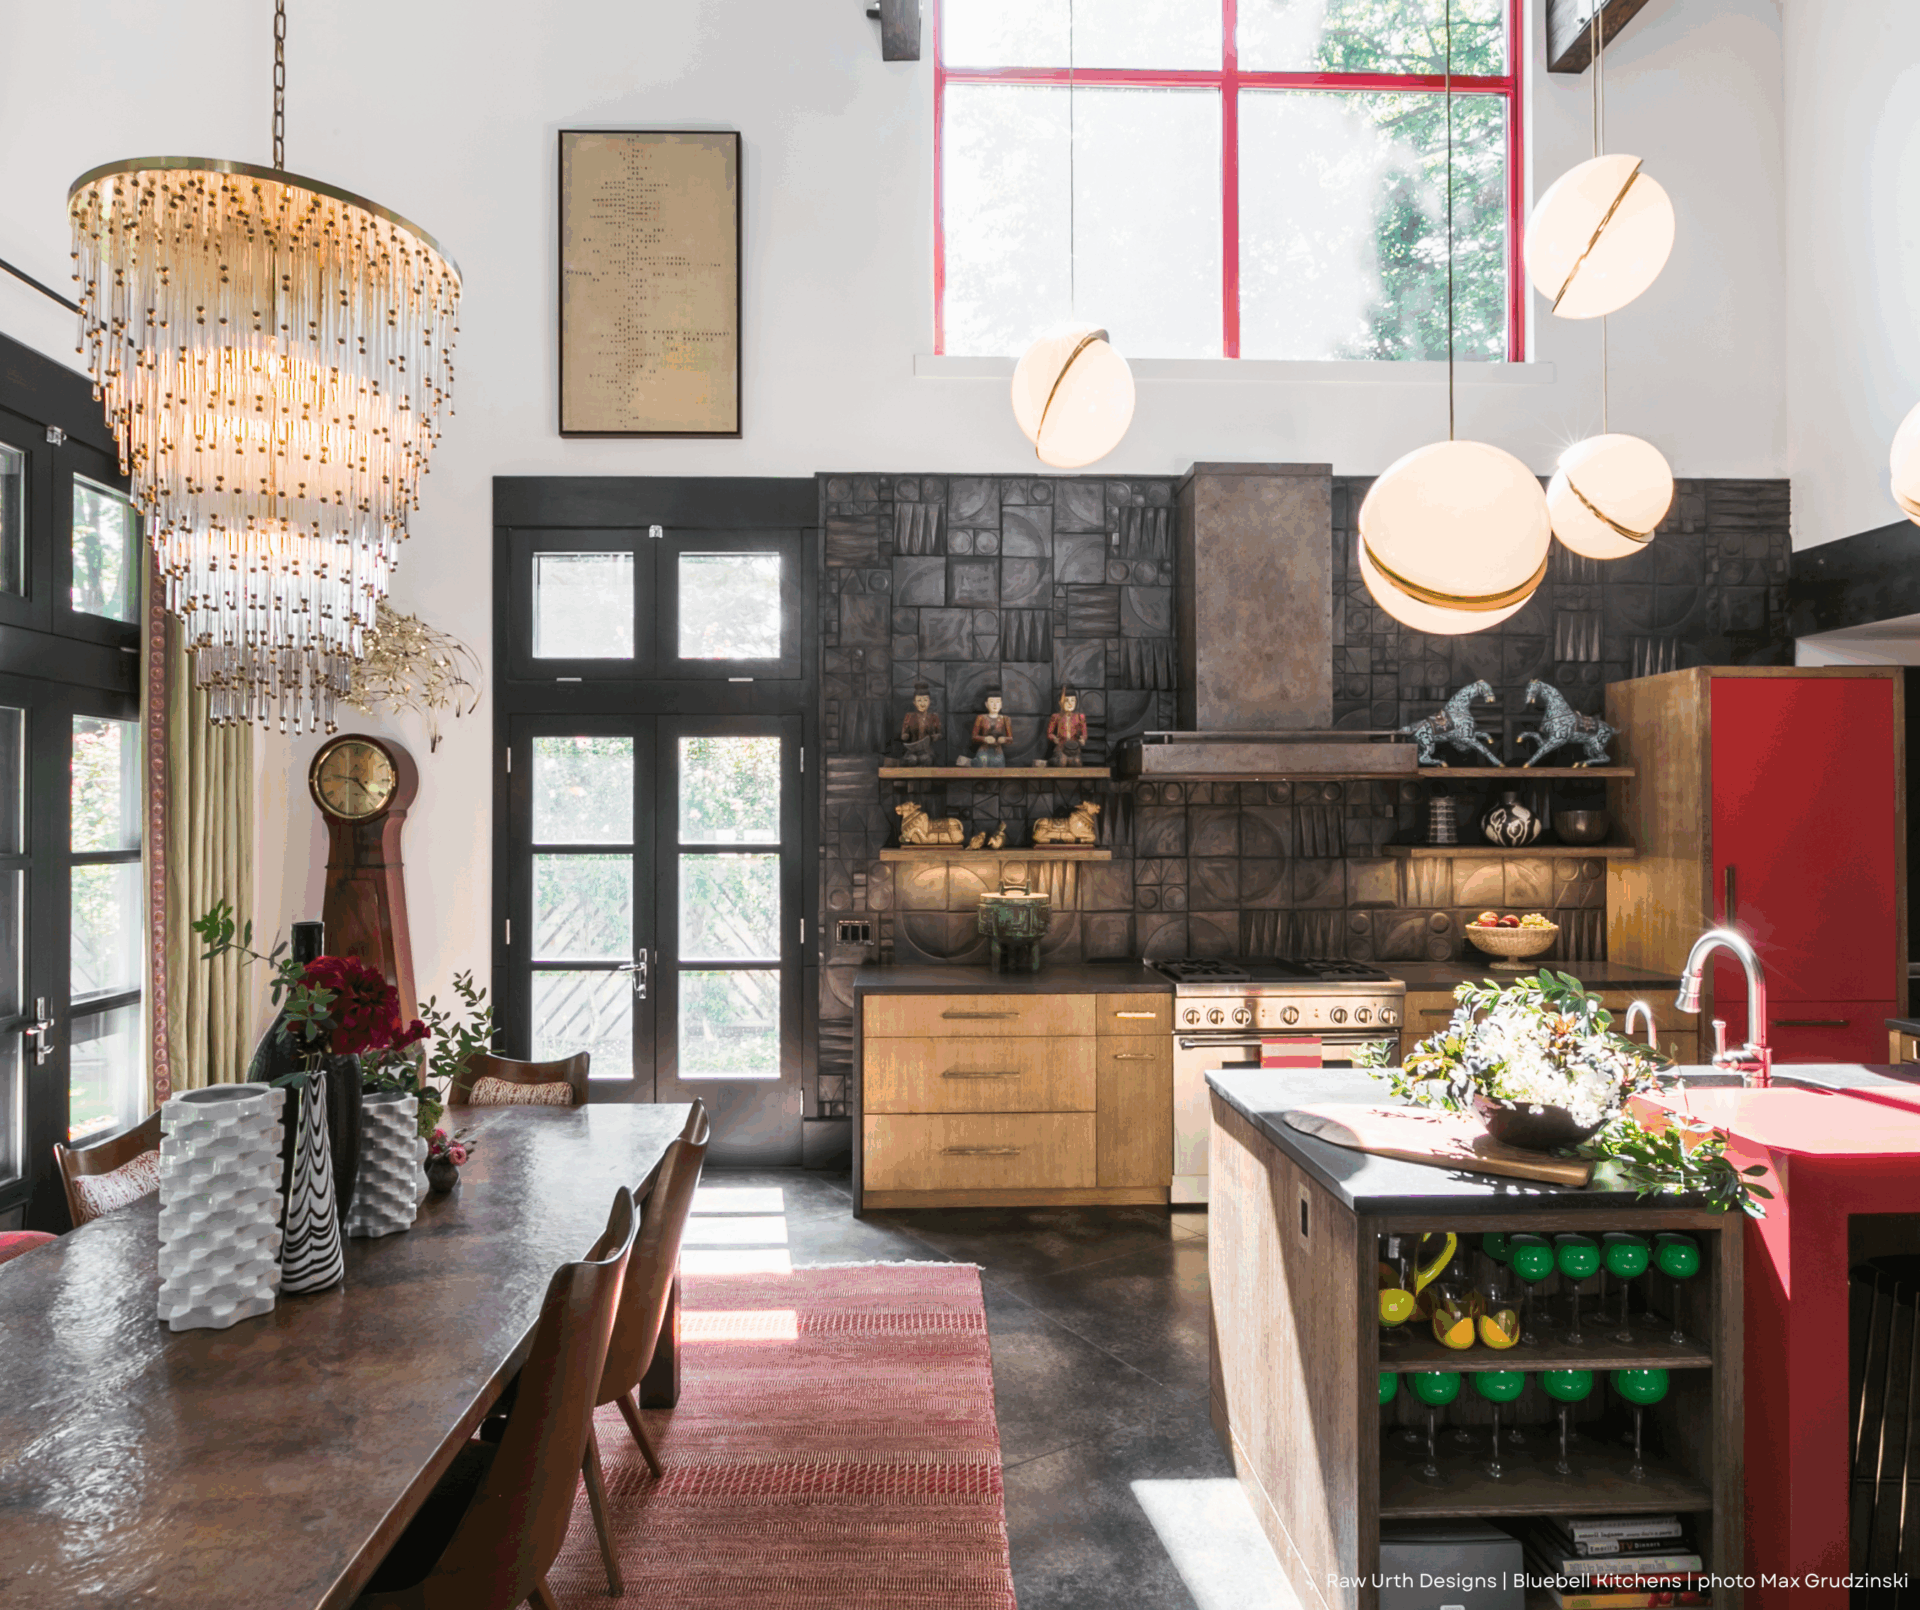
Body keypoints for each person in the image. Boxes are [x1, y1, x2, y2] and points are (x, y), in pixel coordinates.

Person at [899, 681, 942, 766]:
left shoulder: (934, 717)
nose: (922, 704)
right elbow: (904, 734)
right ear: (914, 702)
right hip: (912, 750)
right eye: (919, 700)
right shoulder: (909, 716)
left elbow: (939, 734)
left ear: (929, 701)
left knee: (925, 759)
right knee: (912, 759)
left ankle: (926, 779)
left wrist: (935, 736)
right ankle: (911, 779)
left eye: (925, 700)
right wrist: (905, 736)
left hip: (926, 750)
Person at [1045, 685, 1087, 768]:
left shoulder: (1080, 717)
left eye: (1073, 701)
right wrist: (1054, 738)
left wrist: (1083, 739)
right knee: (1062, 762)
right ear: (1061, 703)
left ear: (1076, 702)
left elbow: (1084, 733)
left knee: (1076, 763)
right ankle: (1051, 761)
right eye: (1066, 701)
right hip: (1061, 746)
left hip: (1074, 747)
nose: (1070, 704)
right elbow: (1049, 733)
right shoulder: (1056, 716)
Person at [971, 689, 1012, 768]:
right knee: (982, 764)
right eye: (992, 702)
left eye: (997, 702)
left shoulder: (1005, 719)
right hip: (984, 750)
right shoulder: (981, 718)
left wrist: (1004, 739)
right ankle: (973, 763)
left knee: (998, 768)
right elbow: (973, 737)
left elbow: (1010, 739)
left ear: (1001, 704)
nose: (995, 705)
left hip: (998, 751)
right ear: (986, 704)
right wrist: (984, 739)